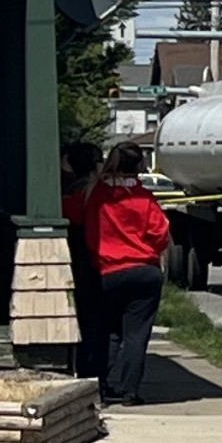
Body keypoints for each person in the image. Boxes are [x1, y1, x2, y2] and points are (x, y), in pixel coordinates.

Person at [86, 142, 172, 405]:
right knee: (136, 335)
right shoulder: (144, 197)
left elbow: (78, 220)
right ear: (139, 166)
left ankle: (100, 384)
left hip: (107, 271)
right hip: (144, 271)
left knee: (106, 331)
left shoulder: (95, 193)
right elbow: (161, 233)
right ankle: (130, 391)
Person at [60, 141, 105, 382]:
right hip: (96, 261)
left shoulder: (66, 193)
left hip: (74, 261)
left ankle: (81, 364)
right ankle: (94, 369)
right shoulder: (95, 193)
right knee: (97, 322)